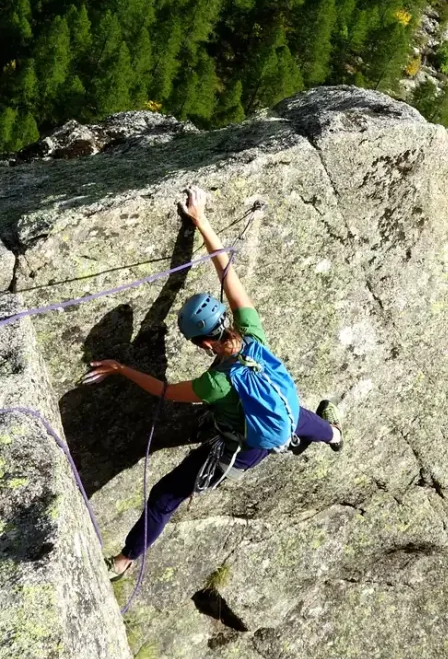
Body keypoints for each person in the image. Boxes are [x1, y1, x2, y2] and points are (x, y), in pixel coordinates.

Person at [84, 186, 342, 582]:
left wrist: (122, 369)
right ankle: (334, 434)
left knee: (164, 497)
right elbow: (228, 273)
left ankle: (124, 561)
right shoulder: (253, 334)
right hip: (280, 416)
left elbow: (166, 393)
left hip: (247, 446)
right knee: (299, 418)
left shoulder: (215, 383)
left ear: (203, 344)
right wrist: (202, 220)